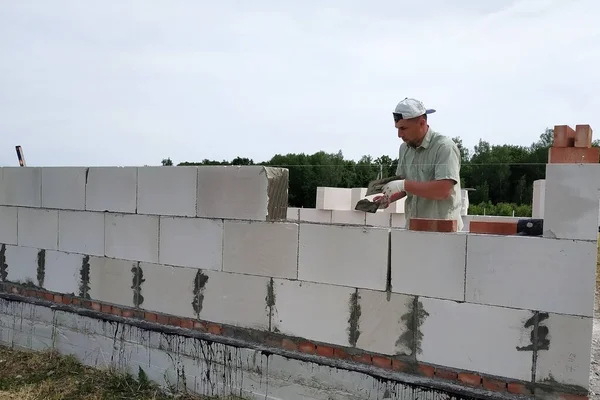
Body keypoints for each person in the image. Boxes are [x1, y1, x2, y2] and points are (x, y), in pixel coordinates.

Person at [374, 97, 463, 231]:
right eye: (397, 128)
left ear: (422, 123)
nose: (399, 134)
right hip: (414, 228)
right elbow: (403, 187)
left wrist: (404, 184)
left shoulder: (444, 147)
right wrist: (388, 198)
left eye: (403, 128)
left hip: (443, 232)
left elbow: (443, 190)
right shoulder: (405, 148)